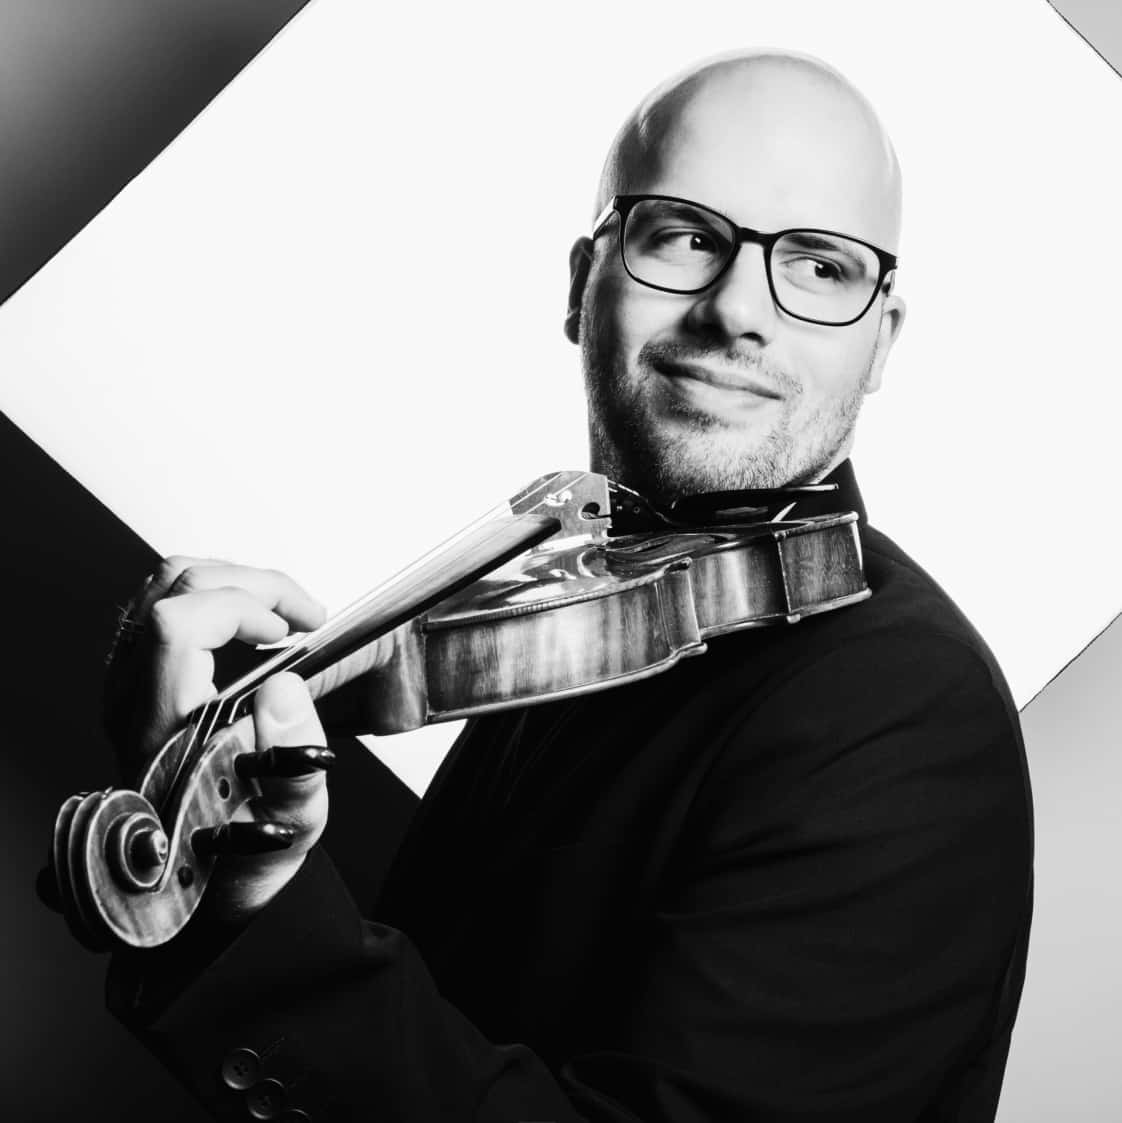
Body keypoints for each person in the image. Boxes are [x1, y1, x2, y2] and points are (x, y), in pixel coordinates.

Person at [103, 50, 1033, 1122]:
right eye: (685, 236)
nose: (739, 308)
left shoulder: (907, 711)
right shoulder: (585, 598)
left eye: (821, 266)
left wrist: (265, 915)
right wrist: (219, 794)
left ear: (880, 341)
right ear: (581, 285)